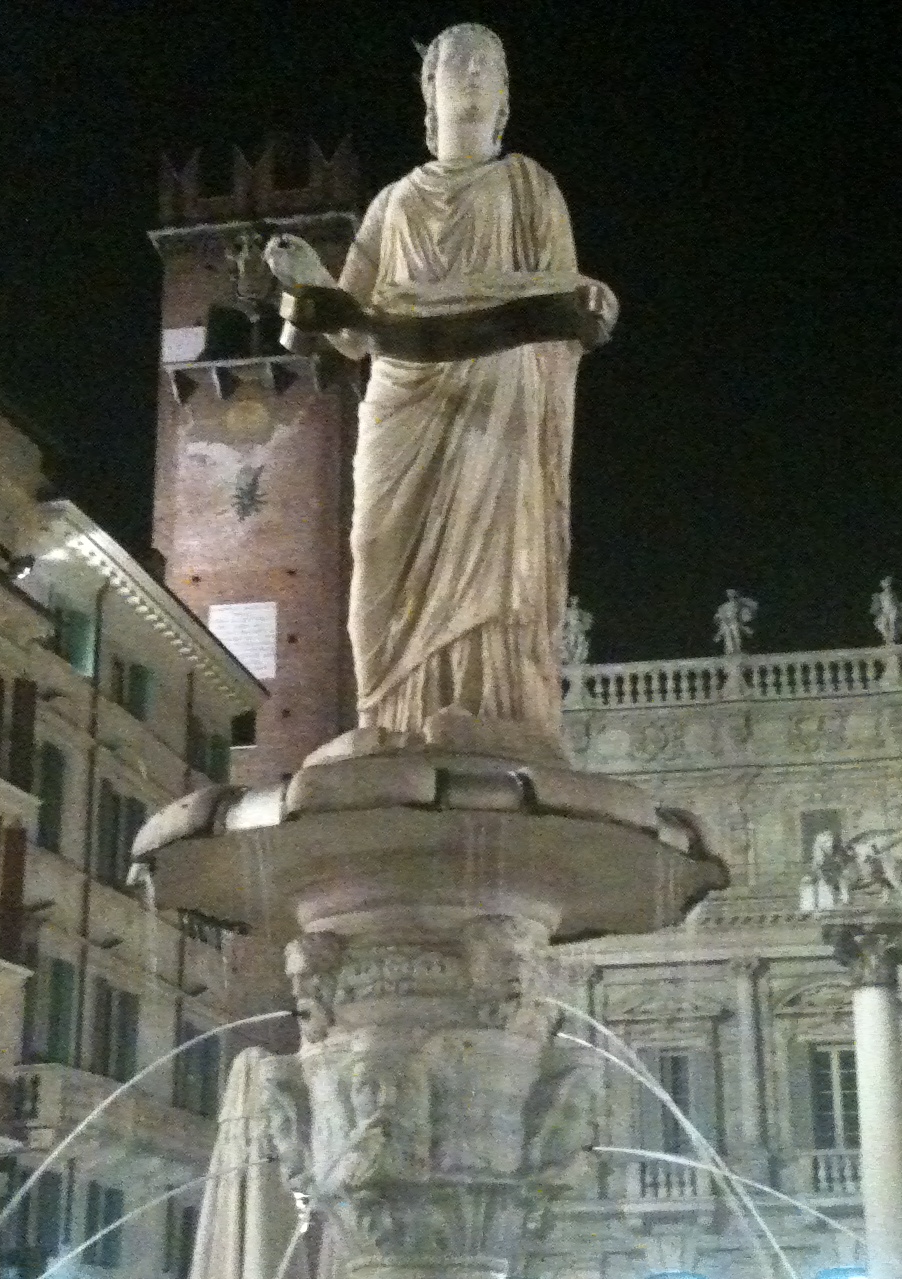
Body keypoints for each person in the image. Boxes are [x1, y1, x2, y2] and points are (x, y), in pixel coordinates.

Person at [297, 22, 617, 754]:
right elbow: (351, 329)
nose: (471, 78)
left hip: (499, 404)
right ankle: (390, 719)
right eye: (457, 67)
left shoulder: (530, 185)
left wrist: (585, 306)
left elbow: (564, 302)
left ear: (504, 100)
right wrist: (308, 285)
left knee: (502, 561)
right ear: (428, 90)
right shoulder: (392, 203)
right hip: (403, 403)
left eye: (488, 70)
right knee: (377, 555)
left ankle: (498, 717)